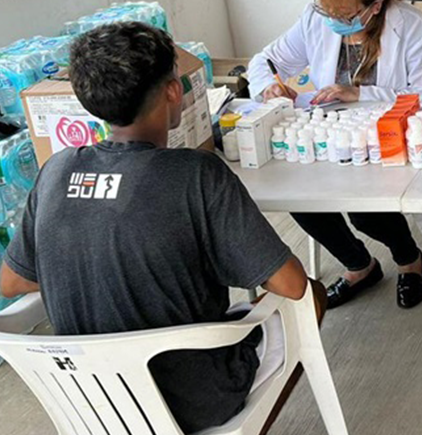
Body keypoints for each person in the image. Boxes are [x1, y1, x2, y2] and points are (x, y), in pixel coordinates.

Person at [0, 22, 321, 434]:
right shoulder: (196, 175)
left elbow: (11, 281)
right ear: (173, 92)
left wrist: (101, 264)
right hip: (193, 405)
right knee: (310, 296)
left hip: (93, 404)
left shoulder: (56, 170)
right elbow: (291, 284)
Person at [248, 0, 422, 309]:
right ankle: (359, 265)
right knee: (301, 201)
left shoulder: (413, 28)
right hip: (330, 133)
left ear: (375, 5)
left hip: (385, 139)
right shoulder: (315, 19)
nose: (333, 20)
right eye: (328, 12)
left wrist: (361, 93)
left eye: (345, 14)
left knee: (365, 210)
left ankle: (409, 261)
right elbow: (265, 61)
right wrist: (269, 87)